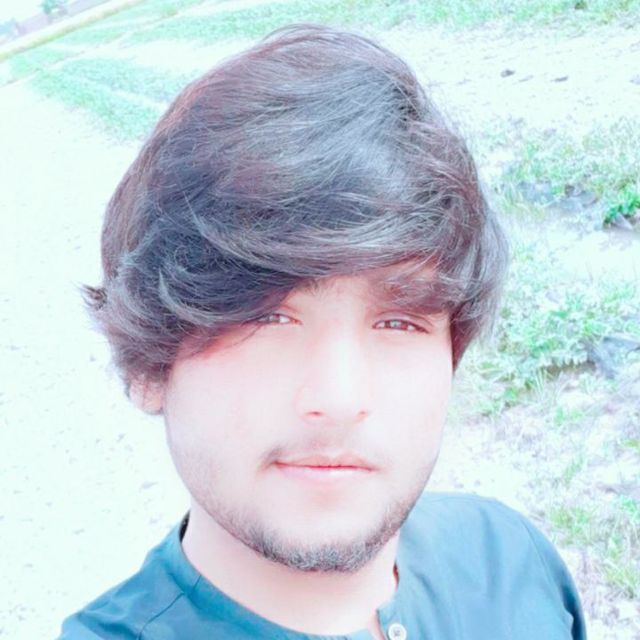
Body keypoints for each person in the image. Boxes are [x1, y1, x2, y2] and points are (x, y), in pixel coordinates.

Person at [58, 24, 585, 640]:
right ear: (149, 367)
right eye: (264, 316)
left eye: (398, 321)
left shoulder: (510, 559)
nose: (338, 400)